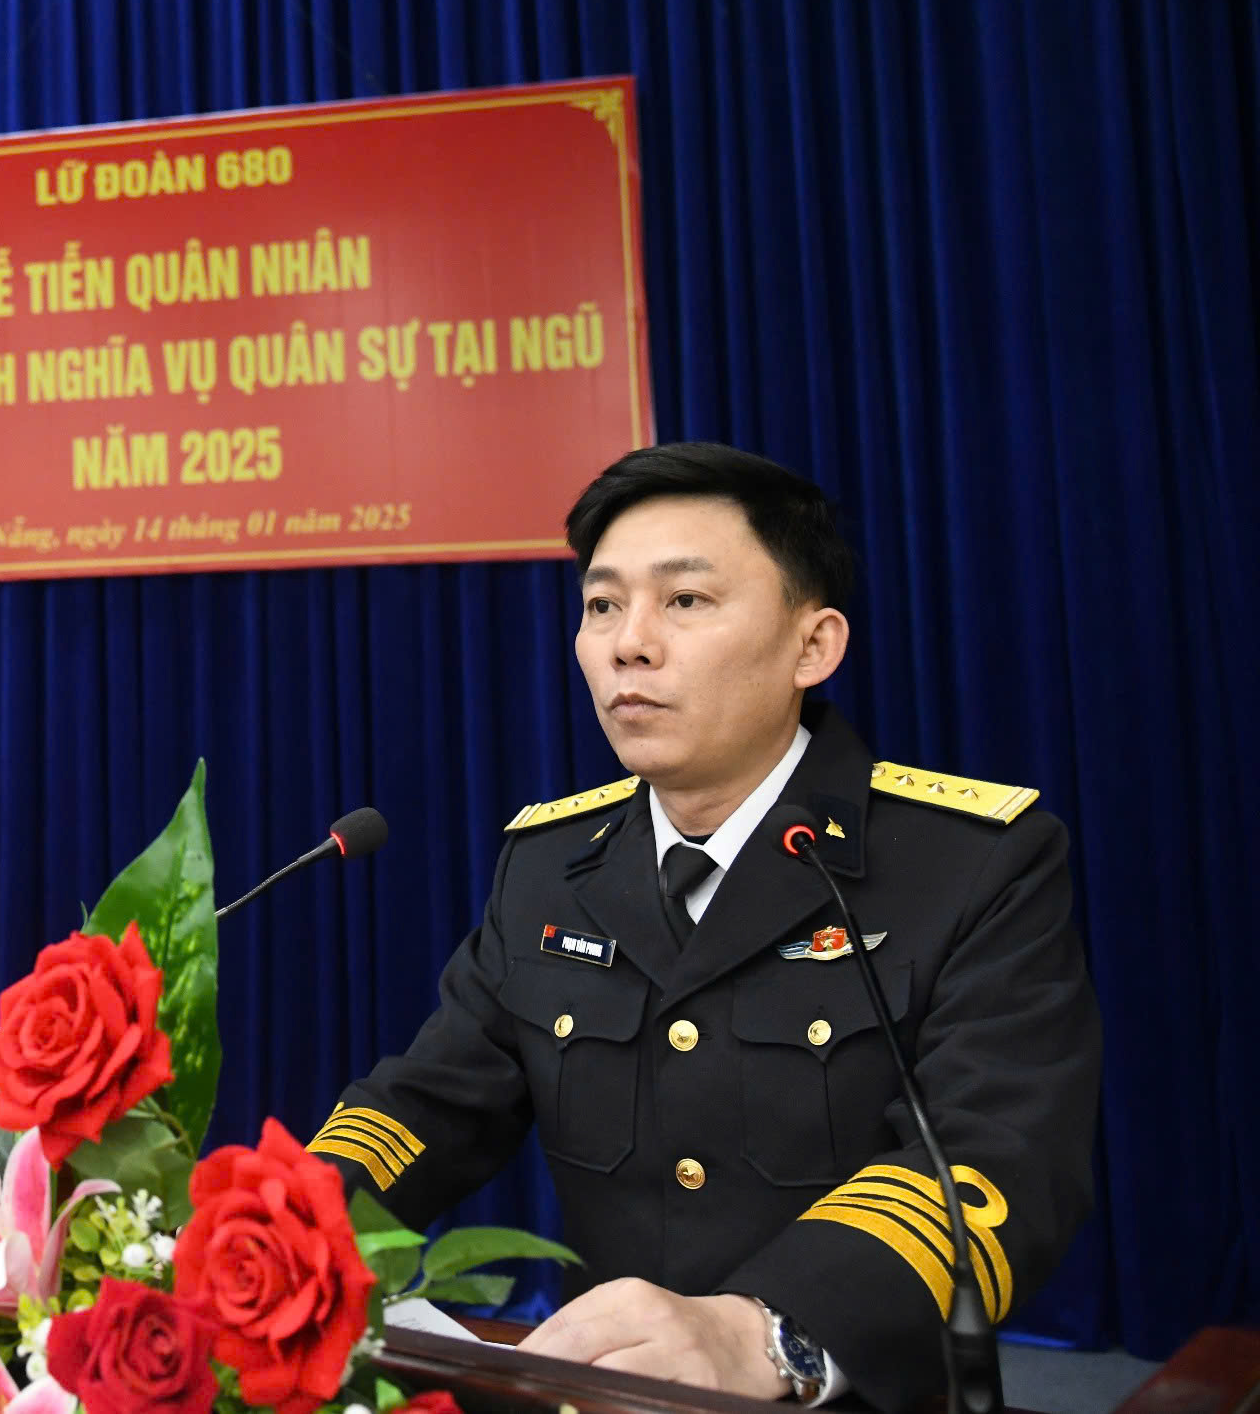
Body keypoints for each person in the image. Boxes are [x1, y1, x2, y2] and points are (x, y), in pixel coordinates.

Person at [307, 443, 1099, 1413]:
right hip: (602, 1394)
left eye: (684, 600)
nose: (628, 644)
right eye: (602, 605)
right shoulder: (550, 865)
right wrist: (272, 1225)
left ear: (813, 646)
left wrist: (771, 1327)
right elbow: (430, 1103)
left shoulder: (969, 861)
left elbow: (996, 1157)